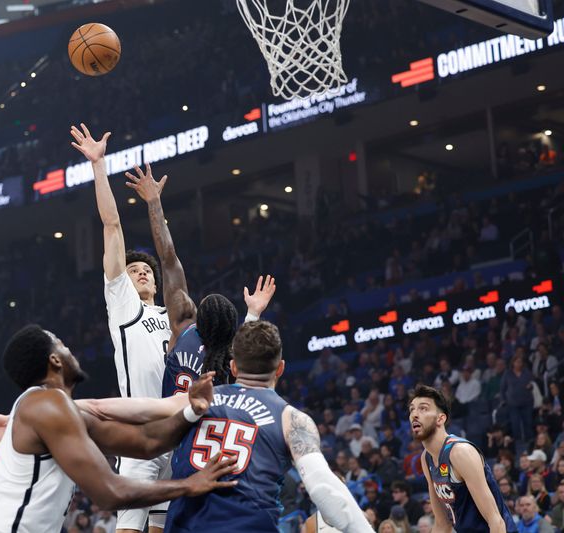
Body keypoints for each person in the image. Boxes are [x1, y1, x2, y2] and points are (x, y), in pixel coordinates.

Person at [0, 324, 236, 533]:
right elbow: (109, 493)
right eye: (63, 346)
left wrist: (191, 411)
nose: (71, 351)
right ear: (55, 360)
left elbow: (145, 442)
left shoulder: (59, 411)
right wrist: (187, 485)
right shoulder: (47, 405)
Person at [164, 321, 373, 532]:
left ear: (234, 367)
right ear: (280, 368)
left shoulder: (197, 400)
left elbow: (145, 417)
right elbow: (323, 487)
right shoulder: (291, 418)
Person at [70, 123, 173, 533]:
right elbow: (112, 226)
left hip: (178, 431)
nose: (142, 272)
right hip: (140, 434)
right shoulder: (124, 305)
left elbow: (170, 258)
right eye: (133, 270)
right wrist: (99, 166)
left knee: (163, 528)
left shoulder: (174, 316)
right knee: (129, 527)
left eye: (147, 270)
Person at [122, 162, 275, 396]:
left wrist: (154, 202)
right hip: (213, 419)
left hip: (172, 417)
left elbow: (168, 259)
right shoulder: (231, 356)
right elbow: (247, 349)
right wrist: (253, 314)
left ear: (198, 315)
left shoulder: (185, 327)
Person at [410, 384, 516, 532]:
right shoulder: (426, 458)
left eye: (423, 408)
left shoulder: (460, 452)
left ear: (440, 419)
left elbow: (496, 521)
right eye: (412, 409)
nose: (414, 414)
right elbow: (442, 524)